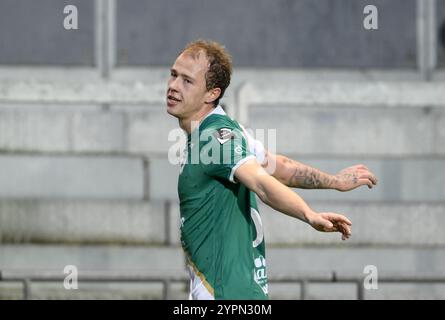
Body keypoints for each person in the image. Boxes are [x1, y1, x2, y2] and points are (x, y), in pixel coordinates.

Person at [166, 40, 377, 300]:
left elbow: (261, 183)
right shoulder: (228, 129)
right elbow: (282, 167)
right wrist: (334, 181)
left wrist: (308, 215)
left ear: (212, 94)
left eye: (187, 81)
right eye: (174, 75)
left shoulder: (213, 138)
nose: (174, 86)